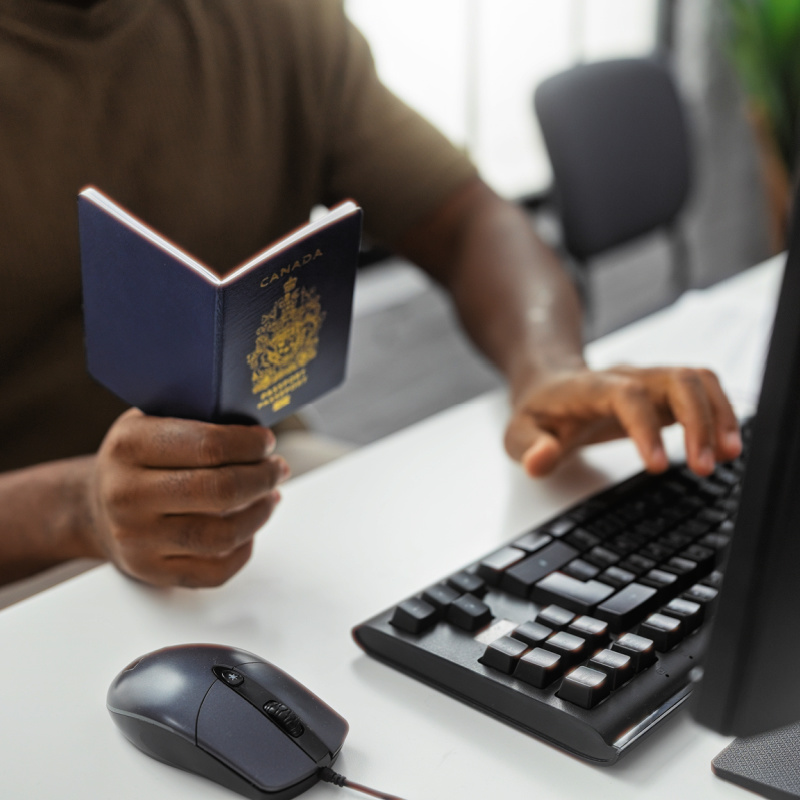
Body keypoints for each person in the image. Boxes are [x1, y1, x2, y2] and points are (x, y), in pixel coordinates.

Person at [0, 0, 741, 591]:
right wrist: (80, 508)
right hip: (29, 556)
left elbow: (466, 219)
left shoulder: (275, 18)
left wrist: (546, 365)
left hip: (261, 488)